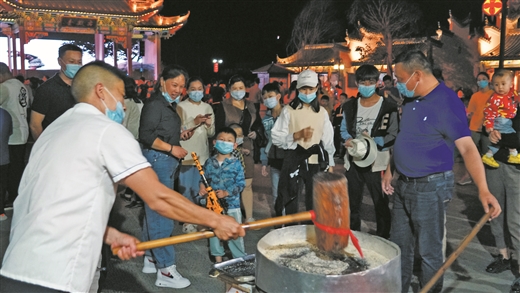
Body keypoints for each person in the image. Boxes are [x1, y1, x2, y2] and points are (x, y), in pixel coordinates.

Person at [0, 61, 244, 293]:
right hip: (59, 274)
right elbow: (159, 198)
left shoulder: (53, 130)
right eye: (119, 95)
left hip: (15, 268)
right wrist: (215, 221)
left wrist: (107, 233)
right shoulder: (106, 130)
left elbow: (53, 203)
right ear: (100, 91)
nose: (125, 105)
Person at [382, 51, 501, 293]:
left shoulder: (447, 102)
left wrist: (484, 190)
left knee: (429, 252)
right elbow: (405, 138)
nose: (398, 84)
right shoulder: (412, 98)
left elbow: (468, 149)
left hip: (430, 187)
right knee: (399, 249)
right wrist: (389, 169)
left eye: (400, 78)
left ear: (416, 75)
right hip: (403, 184)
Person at [138, 65, 195, 289]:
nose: (178, 90)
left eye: (181, 86)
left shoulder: (166, 105)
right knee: (162, 212)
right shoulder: (155, 104)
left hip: (162, 160)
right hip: (159, 160)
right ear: (162, 81)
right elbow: (146, 135)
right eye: (174, 85)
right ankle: (166, 269)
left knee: (153, 210)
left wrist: (178, 136)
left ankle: (151, 258)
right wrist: (172, 148)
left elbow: (159, 131)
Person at [341, 64, 398, 239]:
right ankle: (354, 234)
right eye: (363, 81)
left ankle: (383, 235)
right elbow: (343, 129)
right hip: (354, 158)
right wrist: (347, 140)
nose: (367, 85)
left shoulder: (388, 106)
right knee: (352, 200)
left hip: (377, 161)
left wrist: (378, 142)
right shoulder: (350, 105)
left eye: (371, 81)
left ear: (377, 83)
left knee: (380, 201)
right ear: (357, 83)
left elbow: (394, 133)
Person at [271, 69, 335, 216]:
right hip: (294, 160)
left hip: (315, 161)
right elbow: (276, 137)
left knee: (314, 201)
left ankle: (311, 231)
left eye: (311, 89)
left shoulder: (322, 113)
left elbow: (328, 140)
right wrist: (295, 136)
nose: (307, 92)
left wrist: (330, 163)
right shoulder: (288, 110)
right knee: (291, 198)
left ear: (317, 89)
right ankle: (291, 230)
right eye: (303, 89)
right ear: (297, 89)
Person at [214, 75, 265, 222]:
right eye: (235, 88)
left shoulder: (252, 106)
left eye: (241, 88)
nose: (238, 91)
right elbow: (219, 129)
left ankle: (249, 217)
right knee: (228, 182)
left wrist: (256, 133)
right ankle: (227, 216)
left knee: (247, 183)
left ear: (245, 89)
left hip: (248, 147)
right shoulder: (223, 106)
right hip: (228, 149)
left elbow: (258, 125)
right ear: (229, 90)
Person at [485, 108, 520, 293]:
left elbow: (516, 139)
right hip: (496, 163)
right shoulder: (504, 104)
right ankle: (503, 256)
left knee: (516, 220)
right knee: (495, 213)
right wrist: (490, 132)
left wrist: (501, 137)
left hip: (516, 170)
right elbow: (488, 124)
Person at [200, 127, 246, 263]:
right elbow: (204, 179)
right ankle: (218, 260)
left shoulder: (236, 164)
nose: (225, 143)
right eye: (222, 140)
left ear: (235, 145)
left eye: (229, 141)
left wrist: (227, 192)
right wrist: (202, 187)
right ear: (214, 142)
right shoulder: (209, 162)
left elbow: (241, 184)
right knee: (214, 233)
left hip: (231, 205)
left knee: (234, 233)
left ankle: (239, 259)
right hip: (213, 207)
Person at [176, 76, 215, 231]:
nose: (197, 92)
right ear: (187, 90)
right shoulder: (181, 106)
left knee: (201, 189)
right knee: (186, 188)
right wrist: (194, 122)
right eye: (193, 89)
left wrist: (208, 125)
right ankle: (186, 221)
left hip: (203, 154)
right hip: (186, 153)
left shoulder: (208, 107)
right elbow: (179, 130)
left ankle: (198, 219)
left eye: (200, 89)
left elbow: (211, 133)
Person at [30, 44, 82, 141]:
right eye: (71, 62)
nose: (76, 65)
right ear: (60, 61)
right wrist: (43, 148)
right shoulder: (46, 89)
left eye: (79, 62)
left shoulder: (84, 86)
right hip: (55, 144)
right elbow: (35, 125)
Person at [0, 63, 29, 208]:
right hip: (23, 130)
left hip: (10, 133)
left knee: (8, 168)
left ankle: (12, 197)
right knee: (18, 167)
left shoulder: (4, 87)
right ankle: (16, 195)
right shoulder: (22, 86)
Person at [457, 72, 494, 185]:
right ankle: (468, 176)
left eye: (483, 79)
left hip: (488, 128)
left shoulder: (493, 95)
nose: (480, 81)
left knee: (488, 154)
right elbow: (470, 112)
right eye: (479, 80)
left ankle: (487, 179)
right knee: (470, 154)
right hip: (474, 127)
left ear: (488, 80)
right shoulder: (475, 96)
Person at [481, 69, 520, 168]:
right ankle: (513, 154)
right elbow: (488, 114)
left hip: (514, 172)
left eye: (503, 84)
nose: (500, 87)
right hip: (500, 167)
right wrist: (490, 130)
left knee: (502, 140)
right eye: (497, 85)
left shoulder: (512, 96)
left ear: (510, 84)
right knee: (509, 138)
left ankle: (490, 155)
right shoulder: (495, 99)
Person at [260, 82, 284, 216]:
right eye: (265, 97)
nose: (268, 99)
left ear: (278, 96)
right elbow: (266, 141)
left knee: (287, 192)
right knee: (275, 193)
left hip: (287, 160)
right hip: (274, 160)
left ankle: (288, 222)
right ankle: (279, 221)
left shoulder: (287, 113)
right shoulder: (266, 118)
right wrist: (264, 162)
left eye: (271, 96)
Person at [0, 107, 12, 221]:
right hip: (3, 156)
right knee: (1, 186)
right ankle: (1, 213)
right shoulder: (6, 114)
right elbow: (10, 133)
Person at [332, 93, 348, 158]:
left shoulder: (347, 108)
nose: (341, 100)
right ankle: (337, 152)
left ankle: (343, 153)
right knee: (336, 140)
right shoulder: (338, 108)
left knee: (344, 140)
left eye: (343, 98)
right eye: (340, 98)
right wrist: (334, 125)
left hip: (344, 127)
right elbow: (335, 118)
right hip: (338, 126)